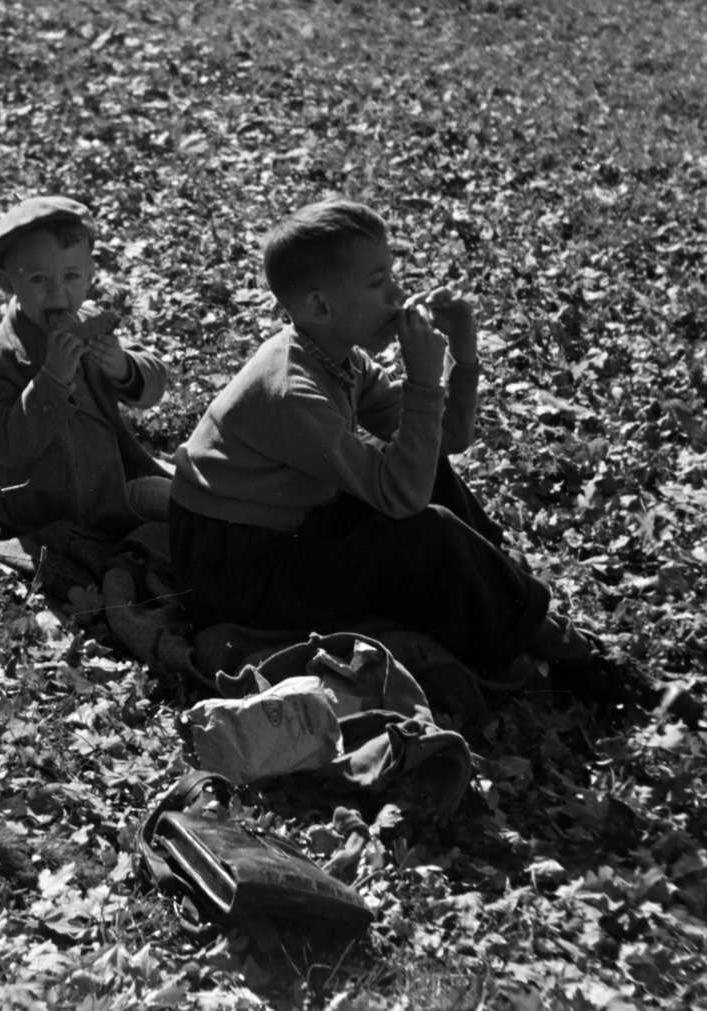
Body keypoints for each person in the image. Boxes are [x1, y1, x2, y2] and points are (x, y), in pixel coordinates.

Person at [168, 198, 598, 682]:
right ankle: (537, 637)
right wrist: (421, 380)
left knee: (425, 468)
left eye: (391, 275)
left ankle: (503, 592)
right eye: (378, 283)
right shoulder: (293, 391)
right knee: (420, 532)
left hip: (283, 525)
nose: (397, 295)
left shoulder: (337, 357)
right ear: (319, 306)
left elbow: (444, 441)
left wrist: (463, 349)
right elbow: (402, 498)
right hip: (236, 571)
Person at [0, 196, 174, 536]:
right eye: (39, 279)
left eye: (71, 276)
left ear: (90, 276)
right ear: (8, 284)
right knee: (185, 507)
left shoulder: (90, 321)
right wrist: (51, 380)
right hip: (49, 507)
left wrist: (124, 367)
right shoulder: (0, 356)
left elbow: (155, 384)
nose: (58, 293)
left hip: (110, 477)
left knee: (200, 484)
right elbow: (8, 447)